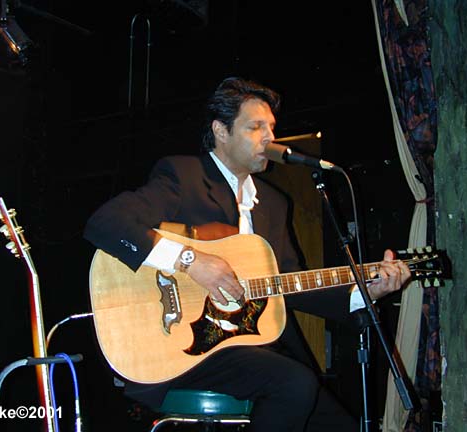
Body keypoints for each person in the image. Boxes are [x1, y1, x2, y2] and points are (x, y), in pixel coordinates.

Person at [83, 77, 411, 431]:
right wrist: (190, 261)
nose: (269, 137)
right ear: (220, 131)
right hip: (188, 348)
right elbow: (106, 223)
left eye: (271, 127)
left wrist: (364, 292)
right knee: (293, 384)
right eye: (255, 127)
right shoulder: (184, 176)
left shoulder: (272, 203)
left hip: (255, 348)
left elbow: (292, 283)